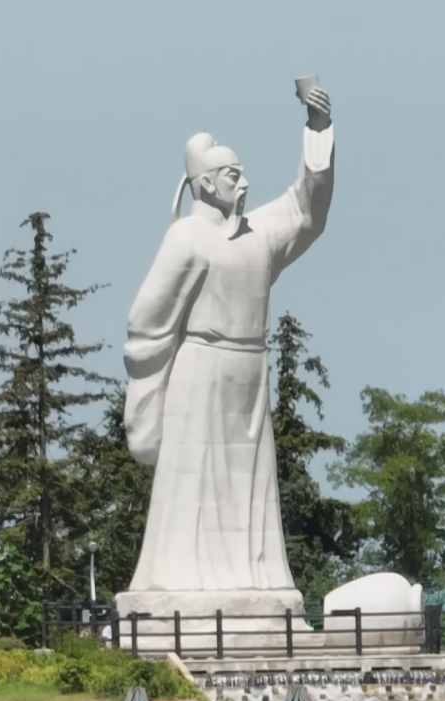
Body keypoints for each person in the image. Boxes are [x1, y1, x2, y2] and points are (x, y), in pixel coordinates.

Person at [123, 86, 335, 593]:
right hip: (200, 374)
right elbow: (146, 322)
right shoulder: (187, 238)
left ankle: (256, 580)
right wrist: (147, 399)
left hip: (251, 375)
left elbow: (306, 210)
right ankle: (180, 581)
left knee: (250, 485)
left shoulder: (258, 236)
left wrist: (318, 130)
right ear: (206, 184)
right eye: (233, 175)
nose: (244, 183)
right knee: (195, 483)